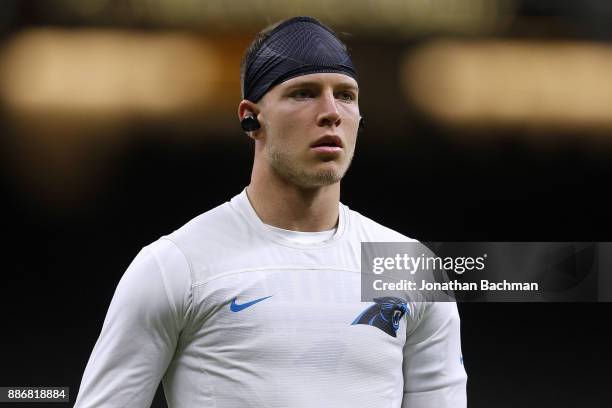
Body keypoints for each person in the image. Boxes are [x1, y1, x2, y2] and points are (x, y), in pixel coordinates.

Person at [74, 16, 467, 408]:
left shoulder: (410, 267)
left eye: (346, 95)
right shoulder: (177, 265)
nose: (331, 111)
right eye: (304, 93)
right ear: (252, 117)